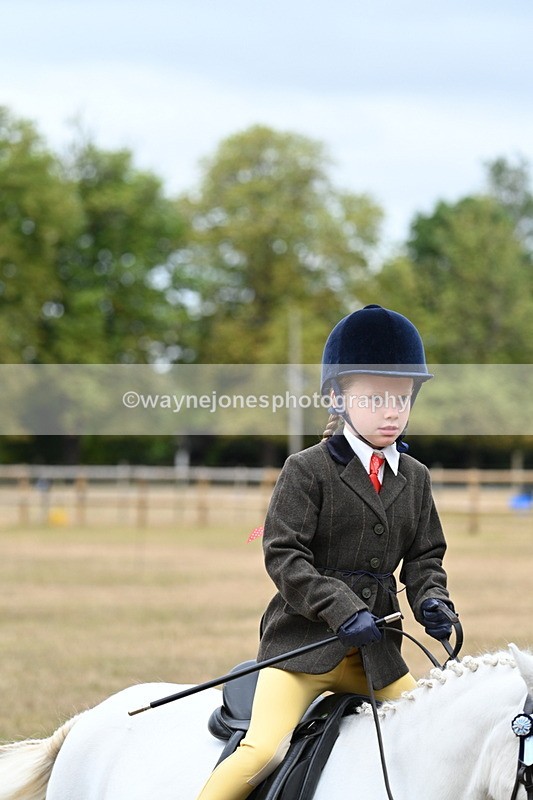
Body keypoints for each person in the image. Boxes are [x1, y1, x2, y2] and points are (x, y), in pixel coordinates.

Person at [196, 304, 457, 800]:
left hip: (376, 655)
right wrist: (340, 607)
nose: (392, 411)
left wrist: (432, 601)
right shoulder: (307, 469)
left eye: (402, 398)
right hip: (301, 652)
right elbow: (284, 555)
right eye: (377, 397)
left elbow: (425, 557)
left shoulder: (416, 478)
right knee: (261, 753)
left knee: (430, 738)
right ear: (338, 397)